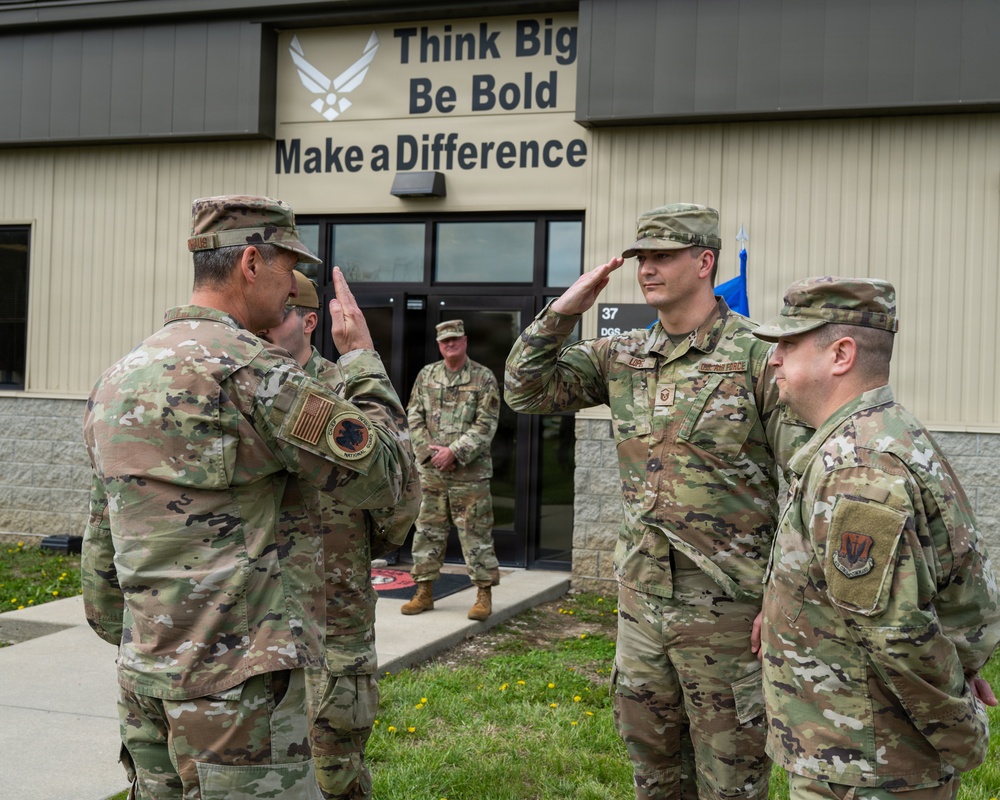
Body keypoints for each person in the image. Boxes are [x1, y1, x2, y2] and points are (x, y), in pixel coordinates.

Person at [81, 195, 412, 800]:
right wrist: (363, 361)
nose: (293, 290)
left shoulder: (120, 376)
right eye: (289, 271)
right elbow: (385, 473)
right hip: (236, 693)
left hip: (145, 681)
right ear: (252, 263)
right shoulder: (253, 373)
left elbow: (103, 538)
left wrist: (137, 639)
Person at [504, 203, 808, 800]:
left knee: (732, 775)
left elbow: (802, 480)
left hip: (729, 606)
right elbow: (524, 386)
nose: (647, 268)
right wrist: (567, 308)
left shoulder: (759, 356)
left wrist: (783, 597)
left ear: (705, 261)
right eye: (642, 257)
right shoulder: (621, 356)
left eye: (663, 256)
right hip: (642, 599)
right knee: (653, 767)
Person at [750, 277, 1000, 800]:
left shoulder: (857, 465)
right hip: (863, 749)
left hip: (865, 764)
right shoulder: (880, 432)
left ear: (840, 354)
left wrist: (959, 725)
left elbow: (897, 632)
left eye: (789, 344)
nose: (773, 359)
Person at [259, 271, 420, 799]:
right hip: (256, 628)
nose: (262, 325)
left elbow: (400, 498)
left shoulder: (344, 391)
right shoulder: (242, 384)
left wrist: (349, 548)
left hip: (334, 616)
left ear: (310, 322)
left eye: (278, 314)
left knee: (335, 772)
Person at [402, 319, 502, 621]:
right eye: (445, 341)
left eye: (455, 339)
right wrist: (427, 453)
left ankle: (483, 594)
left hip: (469, 475)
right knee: (427, 532)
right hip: (432, 473)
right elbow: (413, 416)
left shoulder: (483, 378)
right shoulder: (426, 375)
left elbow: (486, 424)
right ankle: (424, 591)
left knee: (476, 534)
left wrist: (454, 452)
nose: (450, 344)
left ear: (465, 341)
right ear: (439, 345)